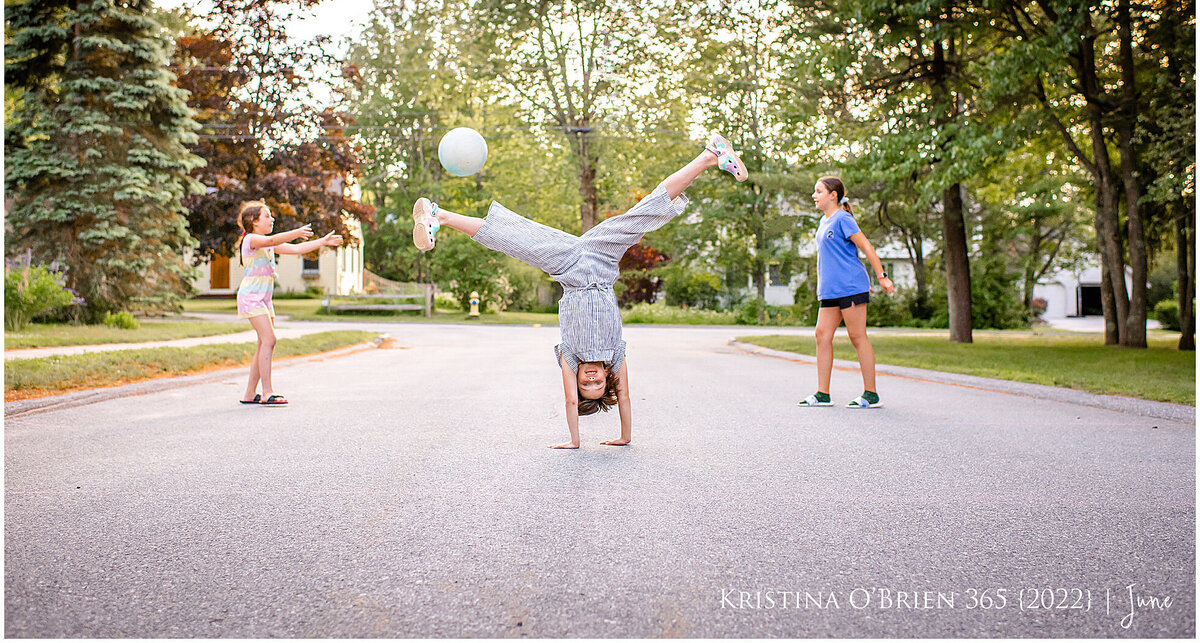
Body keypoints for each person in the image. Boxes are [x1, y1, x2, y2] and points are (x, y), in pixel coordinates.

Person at [412, 134, 748, 448]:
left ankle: (439, 216)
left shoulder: (569, 357)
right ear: (607, 378)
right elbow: (626, 398)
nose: (589, 380)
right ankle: (710, 154)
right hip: (602, 258)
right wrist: (624, 437)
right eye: (597, 384)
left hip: (569, 266)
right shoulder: (615, 354)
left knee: (517, 241)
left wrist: (575, 440)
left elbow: (570, 400)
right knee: (647, 211)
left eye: (585, 384)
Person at [798, 176, 894, 408]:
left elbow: (866, 247)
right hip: (830, 290)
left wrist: (882, 277)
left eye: (818, 191)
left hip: (850, 287)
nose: (814, 195)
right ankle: (823, 393)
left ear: (833, 195)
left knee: (857, 336)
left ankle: (871, 394)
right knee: (822, 335)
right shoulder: (824, 221)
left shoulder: (843, 219)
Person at [236, 201, 343, 406]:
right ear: (254, 221)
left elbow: (297, 249)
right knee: (269, 340)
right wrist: (297, 231)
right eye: (267, 216)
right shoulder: (251, 240)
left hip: (264, 299)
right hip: (251, 298)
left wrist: (322, 242)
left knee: (263, 343)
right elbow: (275, 239)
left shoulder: (267, 243)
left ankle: (249, 393)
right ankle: (267, 392)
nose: (272, 219)